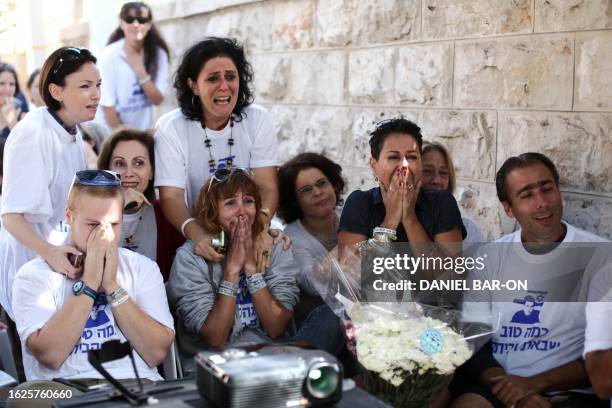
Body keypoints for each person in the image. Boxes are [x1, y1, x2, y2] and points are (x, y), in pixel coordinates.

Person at [455, 152, 610, 408]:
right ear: (508, 208)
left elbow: (602, 359)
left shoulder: (601, 257)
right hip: (498, 384)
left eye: (547, 189)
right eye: (527, 195)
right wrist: (514, 390)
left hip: (568, 393)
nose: (542, 203)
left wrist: (534, 385)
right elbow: (473, 341)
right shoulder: (490, 256)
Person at [10, 170, 173, 392]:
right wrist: (90, 282)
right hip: (65, 388)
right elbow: (50, 355)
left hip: (136, 383)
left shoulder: (143, 268)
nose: (103, 235)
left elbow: (156, 352)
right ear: (69, 216)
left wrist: (112, 287)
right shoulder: (33, 275)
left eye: (113, 224)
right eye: (93, 225)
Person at [155, 37, 280, 268]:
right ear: (193, 84)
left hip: (254, 230)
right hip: (199, 239)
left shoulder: (259, 119)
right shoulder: (171, 126)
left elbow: (267, 186)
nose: (224, 86)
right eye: (213, 78)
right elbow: (171, 197)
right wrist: (198, 235)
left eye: (230, 77)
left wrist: (259, 229)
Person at [0, 47, 99, 319]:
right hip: (30, 269)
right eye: (85, 86)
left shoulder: (72, 129)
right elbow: (11, 217)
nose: (96, 95)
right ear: (56, 92)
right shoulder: (32, 134)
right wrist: (51, 253)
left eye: (98, 85)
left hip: (58, 266)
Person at [166, 168, 300, 368]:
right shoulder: (191, 258)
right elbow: (215, 338)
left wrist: (251, 269)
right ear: (213, 212)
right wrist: (231, 271)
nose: (242, 211)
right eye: (230, 203)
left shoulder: (274, 246)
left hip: (273, 362)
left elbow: (276, 328)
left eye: (248, 201)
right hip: (214, 370)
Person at [338, 118, 465, 258]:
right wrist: (390, 220)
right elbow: (349, 272)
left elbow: (448, 274)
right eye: (393, 157)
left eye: (411, 157)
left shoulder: (442, 202)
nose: (404, 166)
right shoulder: (360, 203)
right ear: (374, 166)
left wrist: (410, 219)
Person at [277, 152, 345, 318]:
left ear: (334, 185)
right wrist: (355, 240)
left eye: (322, 183)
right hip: (324, 324)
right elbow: (314, 285)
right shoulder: (292, 237)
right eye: (306, 190)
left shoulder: (351, 214)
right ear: (294, 201)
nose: (317, 192)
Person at [98, 1, 169, 131]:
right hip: (111, 131)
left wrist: (140, 70)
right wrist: (121, 137)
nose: (136, 24)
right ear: (121, 23)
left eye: (141, 20)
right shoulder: (109, 55)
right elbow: (108, 105)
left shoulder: (158, 54)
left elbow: (157, 100)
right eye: (129, 19)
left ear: (149, 24)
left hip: (142, 131)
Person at [97, 129, 157, 260]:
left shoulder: (165, 216)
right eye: (120, 163)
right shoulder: (90, 215)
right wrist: (118, 209)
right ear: (106, 171)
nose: (129, 173)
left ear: (151, 171)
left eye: (138, 163)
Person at [421, 142, 485, 243]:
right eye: (427, 171)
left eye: (443, 173)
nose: (436, 180)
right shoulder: (397, 220)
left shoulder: (469, 231)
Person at [0, 63, 26, 141]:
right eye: (1, 83)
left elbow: (24, 147)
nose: (7, 89)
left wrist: (13, 124)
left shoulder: (23, 117)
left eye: (11, 84)